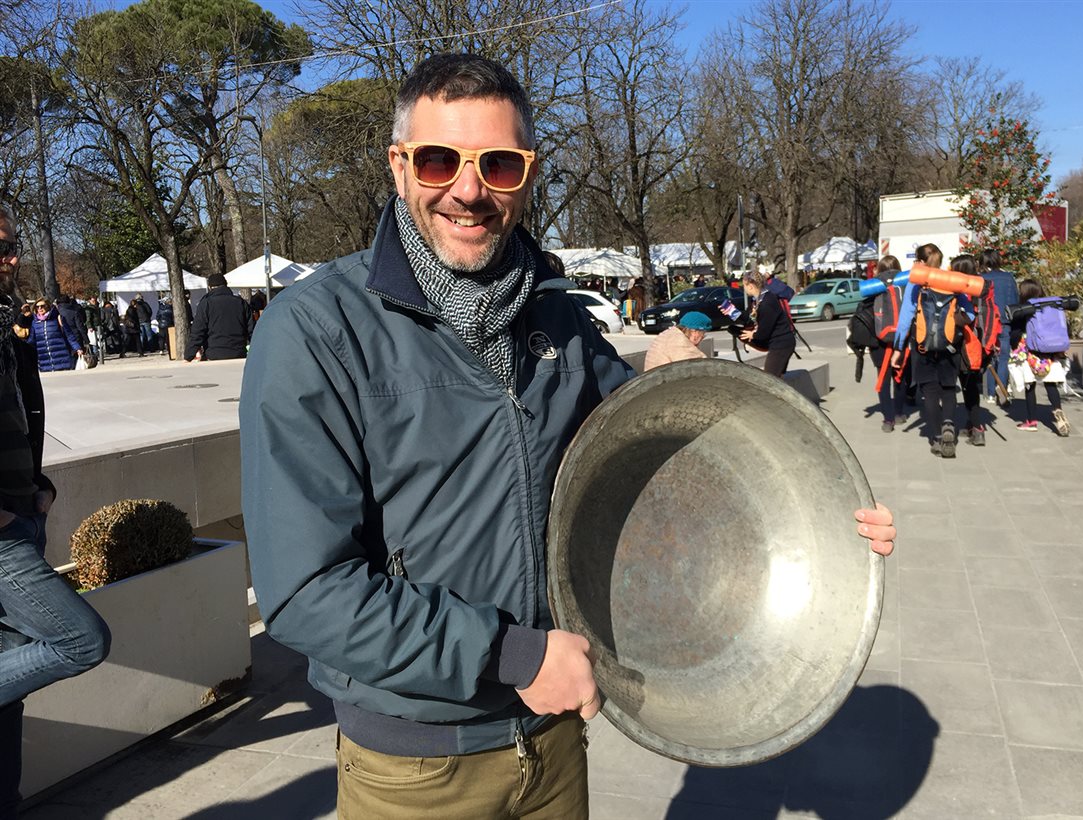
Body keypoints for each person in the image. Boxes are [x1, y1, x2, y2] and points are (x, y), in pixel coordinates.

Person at [239, 53, 896, 818]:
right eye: (439, 160)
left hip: (552, 741)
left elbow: (642, 458)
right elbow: (304, 592)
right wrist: (511, 654)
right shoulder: (316, 329)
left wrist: (819, 521)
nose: (468, 190)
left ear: (527, 174)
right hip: (415, 766)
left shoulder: (555, 314)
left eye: (498, 165)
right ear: (398, 165)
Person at [0, 201, 110, 816]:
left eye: (13, 244)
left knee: (10, 682)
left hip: (22, 512)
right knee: (81, 641)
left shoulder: (5, 321)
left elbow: (19, 413)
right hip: (3, 534)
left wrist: (38, 489)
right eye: (1, 247)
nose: (12, 257)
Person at [890, 243, 974, 458]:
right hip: (950, 346)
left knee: (929, 392)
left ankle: (937, 437)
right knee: (948, 389)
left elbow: (905, 318)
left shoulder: (916, 283)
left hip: (922, 347)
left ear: (920, 262)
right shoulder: (951, 281)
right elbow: (970, 314)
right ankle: (948, 424)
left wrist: (898, 349)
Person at [1010, 279, 1070, 436]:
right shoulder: (1050, 306)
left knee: (1030, 386)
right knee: (1050, 384)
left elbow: (1016, 331)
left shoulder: (1024, 309)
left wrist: (1013, 343)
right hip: (1049, 349)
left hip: (1028, 350)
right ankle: (1058, 410)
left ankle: (1031, 421)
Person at [867, 255, 913, 433]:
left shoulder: (873, 287)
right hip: (901, 339)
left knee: (883, 379)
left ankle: (888, 419)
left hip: (879, 340)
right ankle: (899, 413)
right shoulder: (905, 284)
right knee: (899, 377)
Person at [950, 255, 986, 446]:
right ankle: (973, 424)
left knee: (966, 386)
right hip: (980, 344)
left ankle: (977, 428)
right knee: (971, 386)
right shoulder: (981, 288)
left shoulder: (963, 290)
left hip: (964, 344)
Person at [979, 249, 1019, 404]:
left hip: (987, 322)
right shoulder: (1008, 277)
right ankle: (1002, 390)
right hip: (1005, 321)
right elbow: (1015, 301)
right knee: (1003, 357)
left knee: (989, 356)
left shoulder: (981, 278)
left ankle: (990, 393)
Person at [740, 269, 795, 377]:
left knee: (769, 379)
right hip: (780, 343)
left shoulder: (767, 302)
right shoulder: (759, 299)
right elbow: (748, 317)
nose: (743, 288)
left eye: (744, 286)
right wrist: (731, 312)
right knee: (777, 378)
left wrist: (752, 335)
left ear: (750, 286)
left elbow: (764, 331)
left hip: (781, 344)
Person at [184, 274, 253, 361]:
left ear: (210, 287)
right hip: (238, 352)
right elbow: (251, 330)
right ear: (226, 285)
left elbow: (197, 332)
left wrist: (188, 356)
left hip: (214, 353)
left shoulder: (206, 303)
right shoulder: (241, 303)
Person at [29, 298, 83, 372]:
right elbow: (31, 341)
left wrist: (77, 348)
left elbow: (69, 335)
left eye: (42, 306)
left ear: (48, 306)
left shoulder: (58, 318)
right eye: (37, 307)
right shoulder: (34, 323)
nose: (40, 308)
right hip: (44, 363)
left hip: (62, 360)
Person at [644, 311, 710, 370]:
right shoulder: (680, 342)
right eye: (702, 334)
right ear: (694, 332)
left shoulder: (670, 334)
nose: (702, 338)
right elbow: (699, 367)